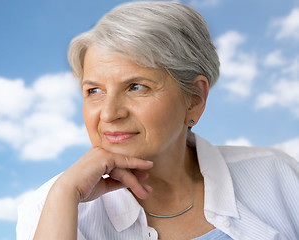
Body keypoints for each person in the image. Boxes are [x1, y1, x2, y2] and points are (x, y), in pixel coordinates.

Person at [16, 2, 299, 240]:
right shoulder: (52, 206)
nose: (109, 113)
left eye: (136, 86)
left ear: (194, 98)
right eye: (94, 91)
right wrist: (66, 192)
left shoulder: (278, 176)